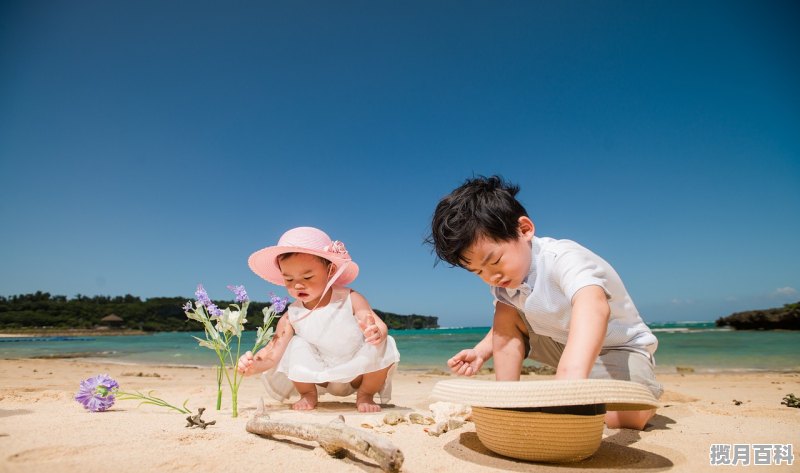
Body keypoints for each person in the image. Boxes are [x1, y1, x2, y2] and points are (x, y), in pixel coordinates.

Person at [426, 175, 662, 429]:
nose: (491, 276)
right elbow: (507, 327)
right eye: (478, 272)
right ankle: (508, 399)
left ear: (524, 229)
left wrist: (567, 380)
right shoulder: (505, 282)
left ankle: (612, 388)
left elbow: (594, 307)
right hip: (563, 344)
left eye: (494, 261)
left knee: (628, 418)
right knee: (506, 311)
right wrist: (482, 351)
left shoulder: (562, 258)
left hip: (620, 348)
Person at [237, 226, 400, 413]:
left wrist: (375, 331)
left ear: (330, 270)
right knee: (294, 344)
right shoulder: (292, 314)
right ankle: (307, 393)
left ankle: (365, 394)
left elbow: (374, 322)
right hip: (321, 377)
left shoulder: (350, 298)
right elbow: (273, 351)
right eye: (288, 280)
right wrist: (254, 365)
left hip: (359, 372)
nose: (298, 284)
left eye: (308, 276)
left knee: (383, 343)